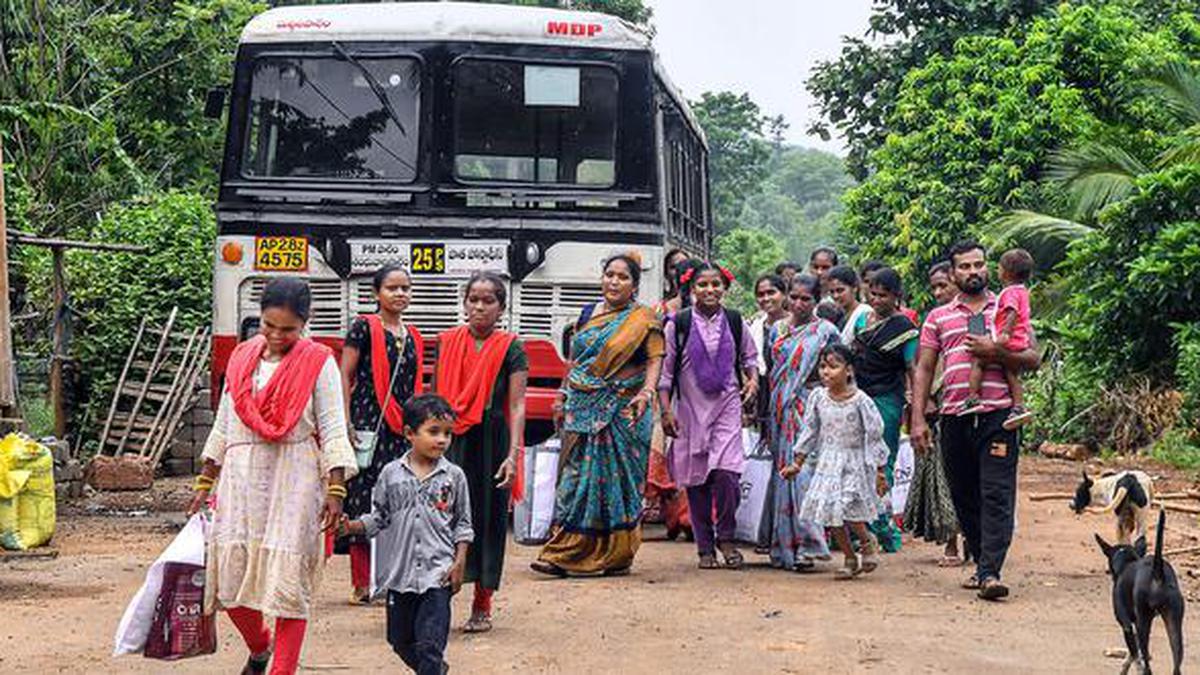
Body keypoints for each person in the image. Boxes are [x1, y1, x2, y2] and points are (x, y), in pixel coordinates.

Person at [188, 277, 356, 675]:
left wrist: (335, 489)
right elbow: (225, 425)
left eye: (288, 329)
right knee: (228, 586)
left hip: (295, 478)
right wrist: (205, 480)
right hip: (241, 478)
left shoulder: (319, 362)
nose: (277, 336)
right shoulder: (242, 357)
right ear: (258, 318)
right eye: (269, 326)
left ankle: (282, 670)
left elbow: (333, 427)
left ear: (305, 324)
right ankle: (259, 647)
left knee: (287, 586)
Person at [910, 241, 1040, 601]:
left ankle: (989, 571)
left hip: (1000, 416)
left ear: (988, 267)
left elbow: (1033, 357)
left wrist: (995, 351)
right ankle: (984, 563)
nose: (973, 272)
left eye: (978, 265)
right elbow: (923, 368)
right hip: (954, 416)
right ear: (952, 273)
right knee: (964, 494)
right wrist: (917, 418)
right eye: (964, 267)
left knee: (996, 493)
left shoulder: (1008, 303)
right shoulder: (938, 317)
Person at [534, 253, 665, 576]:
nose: (614, 282)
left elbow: (654, 359)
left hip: (623, 409)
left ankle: (615, 554)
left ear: (634, 285)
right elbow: (577, 360)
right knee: (575, 478)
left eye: (622, 277)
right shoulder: (588, 313)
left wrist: (647, 393)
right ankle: (566, 550)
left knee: (617, 482)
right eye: (609, 275)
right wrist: (562, 394)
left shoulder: (643, 319)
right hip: (581, 405)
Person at [339, 394, 471, 675]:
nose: (442, 440)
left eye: (447, 433)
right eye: (433, 431)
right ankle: (436, 670)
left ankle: (432, 667)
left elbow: (463, 523)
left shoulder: (454, 476)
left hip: (439, 574)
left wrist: (459, 561)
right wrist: (351, 526)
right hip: (400, 576)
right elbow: (379, 517)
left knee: (429, 646)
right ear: (409, 433)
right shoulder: (390, 474)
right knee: (398, 640)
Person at [433, 271, 527, 633]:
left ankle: (482, 601)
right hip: (451, 438)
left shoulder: (511, 347)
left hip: (492, 442)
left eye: (488, 300)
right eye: (473, 299)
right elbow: (435, 396)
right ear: (464, 302)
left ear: (501, 307)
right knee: (442, 518)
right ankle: (436, 602)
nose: (479, 306)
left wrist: (513, 455)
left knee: (486, 519)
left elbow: (516, 405)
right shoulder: (446, 342)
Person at [659, 262, 758, 569]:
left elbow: (750, 357)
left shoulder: (734, 320)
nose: (710, 290)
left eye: (716, 284)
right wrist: (665, 412)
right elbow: (665, 375)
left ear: (724, 288)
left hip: (727, 406)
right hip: (689, 410)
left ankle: (726, 538)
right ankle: (705, 547)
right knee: (698, 481)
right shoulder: (678, 323)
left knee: (727, 475)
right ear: (691, 290)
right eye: (703, 285)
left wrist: (752, 379)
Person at [338, 264, 424, 604]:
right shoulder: (363, 327)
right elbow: (345, 375)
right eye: (392, 288)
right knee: (363, 499)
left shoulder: (413, 335)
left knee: (397, 500)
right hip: (367, 423)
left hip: (402, 429)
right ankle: (361, 584)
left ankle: (390, 577)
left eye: (405, 288)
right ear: (377, 293)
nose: (400, 294)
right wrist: (344, 422)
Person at [781, 343, 889, 579]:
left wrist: (880, 471)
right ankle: (850, 558)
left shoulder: (861, 401)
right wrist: (797, 463)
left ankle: (866, 540)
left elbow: (874, 435)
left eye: (833, 367)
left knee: (849, 506)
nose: (826, 372)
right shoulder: (818, 398)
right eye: (822, 367)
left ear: (848, 370)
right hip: (828, 462)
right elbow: (810, 431)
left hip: (855, 462)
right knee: (831, 511)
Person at [761, 274, 839, 571]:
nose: (798, 303)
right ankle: (784, 549)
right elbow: (771, 372)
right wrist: (765, 416)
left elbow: (837, 372)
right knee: (784, 475)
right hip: (781, 408)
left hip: (811, 407)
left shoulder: (826, 332)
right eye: (793, 297)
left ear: (817, 301)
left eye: (805, 298)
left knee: (805, 474)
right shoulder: (776, 330)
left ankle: (809, 544)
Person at [849, 267, 917, 553]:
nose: (877, 300)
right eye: (872, 294)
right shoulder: (863, 320)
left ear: (896, 296)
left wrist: (916, 402)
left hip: (887, 399)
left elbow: (912, 367)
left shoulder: (905, 329)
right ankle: (858, 527)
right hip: (858, 397)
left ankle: (883, 529)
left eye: (883, 295)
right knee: (854, 460)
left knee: (881, 461)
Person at [904, 261, 964, 566]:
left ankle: (973, 543)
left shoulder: (977, 315)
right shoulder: (934, 320)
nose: (939, 292)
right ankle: (951, 543)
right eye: (935, 288)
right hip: (938, 408)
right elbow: (921, 366)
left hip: (966, 404)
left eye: (944, 285)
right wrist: (921, 402)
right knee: (942, 478)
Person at [964, 248, 1035, 431]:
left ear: (1006, 272)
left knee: (979, 360)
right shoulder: (1022, 291)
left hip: (1007, 340)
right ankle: (1019, 407)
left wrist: (1005, 334)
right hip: (1019, 341)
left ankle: (972, 397)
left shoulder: (1009, 292)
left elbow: (1011, 312)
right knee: (1011, 374)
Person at [827, 265, 871, 343]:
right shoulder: (838, 316)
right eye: (832, 292)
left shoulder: (864, 313)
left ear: (854, 288)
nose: (835, 296)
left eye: (840, 290)